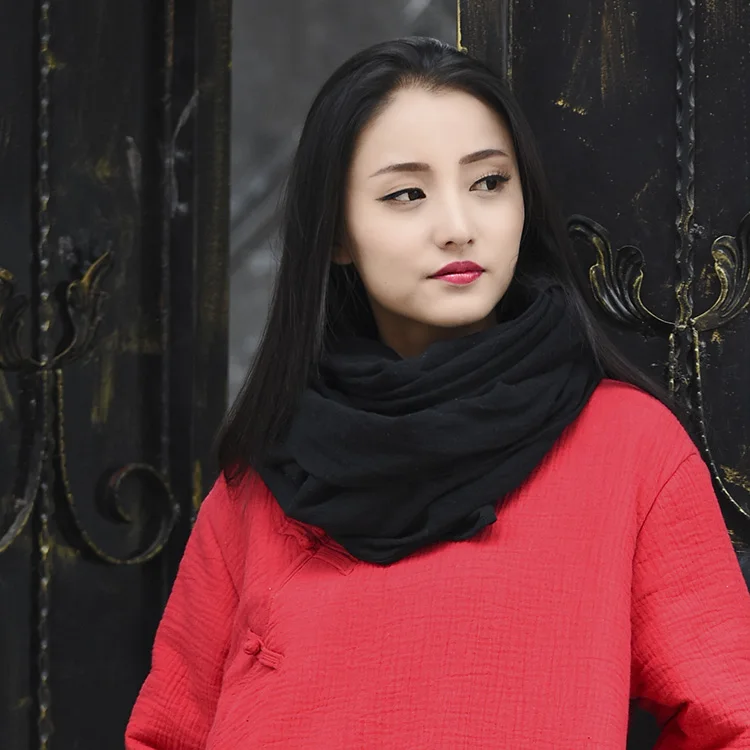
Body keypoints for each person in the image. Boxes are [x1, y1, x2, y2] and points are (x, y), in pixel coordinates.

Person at [125, 37, 750, 749]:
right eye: (406, 194)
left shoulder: (629, 449)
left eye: (489, 182)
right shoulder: (266, 475)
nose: (458, 228)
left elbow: (732, 722)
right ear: (337, 234)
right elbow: (167, 735)